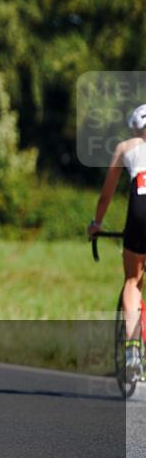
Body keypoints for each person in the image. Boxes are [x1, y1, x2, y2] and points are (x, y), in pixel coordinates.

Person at [88, 103, 146, 377]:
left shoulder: (126, 147)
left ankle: (132, 351)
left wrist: (96, 224)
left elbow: (106, 194)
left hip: (140, 210)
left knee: (133, 281)